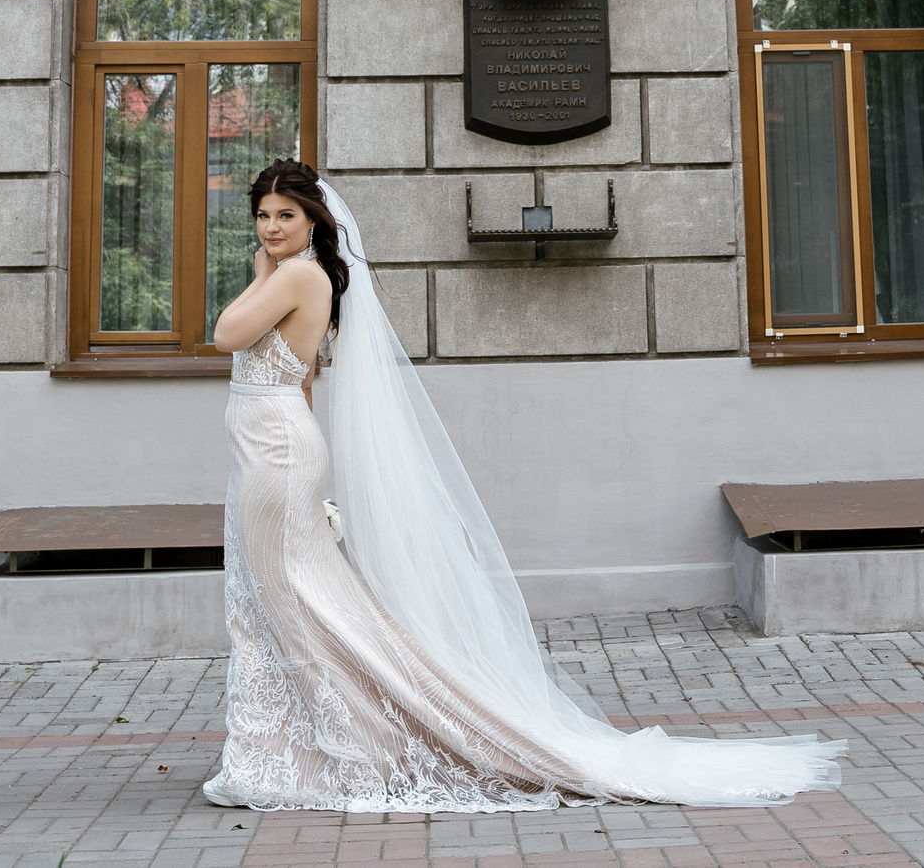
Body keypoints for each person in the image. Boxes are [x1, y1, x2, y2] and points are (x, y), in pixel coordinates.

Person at [200, 158, 845, 812]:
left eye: (286, 214)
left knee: (288, 607)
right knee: (285, 605)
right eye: (263, 215)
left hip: (274, 450)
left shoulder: (301, 275)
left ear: (313, 221)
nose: (272, 226)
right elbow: (303, 378)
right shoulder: (298, 279)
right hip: (272, 447)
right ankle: (302, 746)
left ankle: (345, 747)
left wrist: (260, 272)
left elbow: (224, 333)